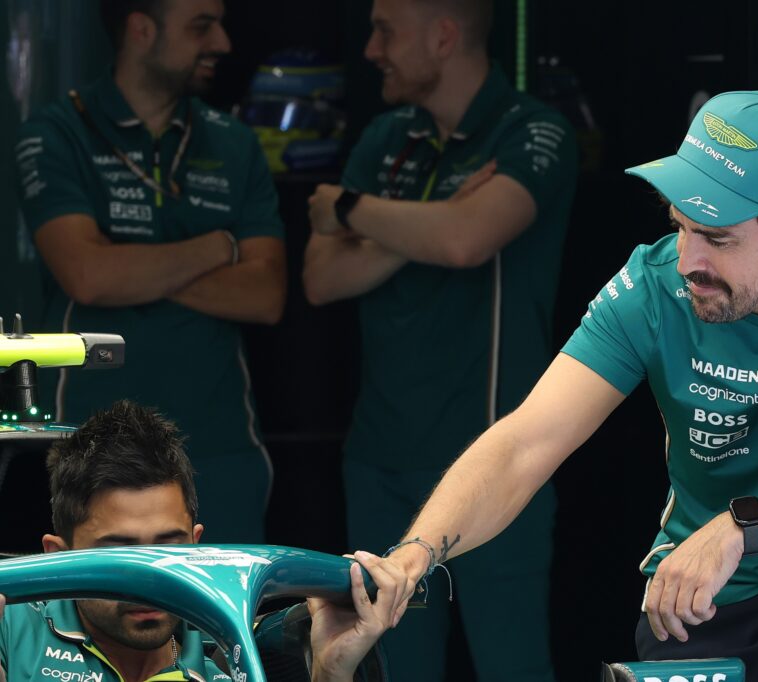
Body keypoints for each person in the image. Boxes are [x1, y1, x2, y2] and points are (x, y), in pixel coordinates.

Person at [376, 90, 758, 681]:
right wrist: (414, 556)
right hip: (706, 595)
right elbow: (524, 444)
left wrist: (744, 527)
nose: (687, 262)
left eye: (718, 238)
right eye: (681, 227)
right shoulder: (652, 286)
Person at [303, 1, 577, 680]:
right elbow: (322, 277)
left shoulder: (532, 130)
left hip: (496, 464)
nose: (371, 50)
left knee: (513, 668)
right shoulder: (386, 136)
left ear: (444, 35)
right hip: (381, 457)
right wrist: (441, 219)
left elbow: (467, 242)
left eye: (386, 31)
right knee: (391, 670)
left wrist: (351, 210)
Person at [13, 0, 286, 542]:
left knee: (225, 602)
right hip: (88, 451)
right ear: (141, 29)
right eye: (201, 26)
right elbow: (89, 275)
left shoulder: (234, 142)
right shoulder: (56, 131)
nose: (222, 43)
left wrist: (133, 264)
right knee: (93, 599)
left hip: (221, 446)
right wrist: (216, 247)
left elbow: (265, 294)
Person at [0, 401, 398, 682]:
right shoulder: (10, 627)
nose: (149, 580)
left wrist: (330, 674)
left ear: (197, 545)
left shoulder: (234, 659)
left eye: (168, 547)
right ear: (57, 556)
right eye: (120, 554)